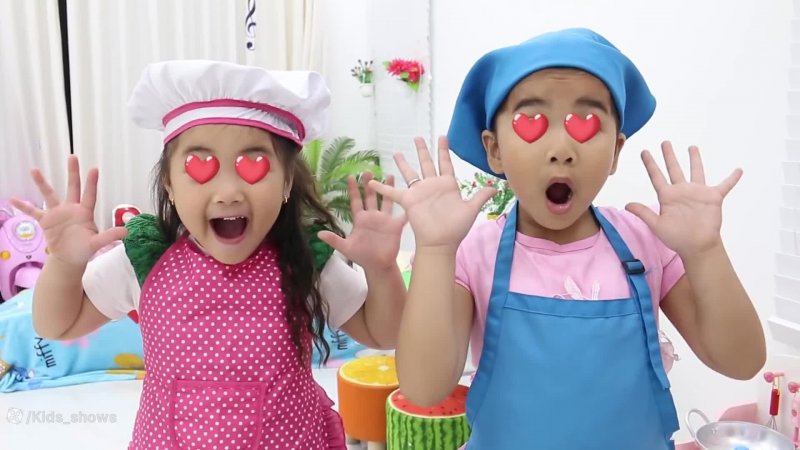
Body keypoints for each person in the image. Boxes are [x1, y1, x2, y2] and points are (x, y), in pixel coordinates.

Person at [370, 28, 766, 449]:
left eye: (586, 123)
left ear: (615, 151)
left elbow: (742, 361)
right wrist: (435, 250)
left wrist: (705, 251)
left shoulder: (646, 243)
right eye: (531, 122)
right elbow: (424, 388)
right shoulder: (472, 253)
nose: (561, 148)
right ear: (494, 149)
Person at [13, 60, 407, 450]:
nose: (228, 191)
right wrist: (64, 263)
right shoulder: (147, 258)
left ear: (287, 181)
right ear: (169, 183)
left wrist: (382, 270)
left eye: (253, 165)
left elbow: (383, 333)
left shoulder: (303, 257)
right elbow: (56, 325)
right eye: (200, 166)